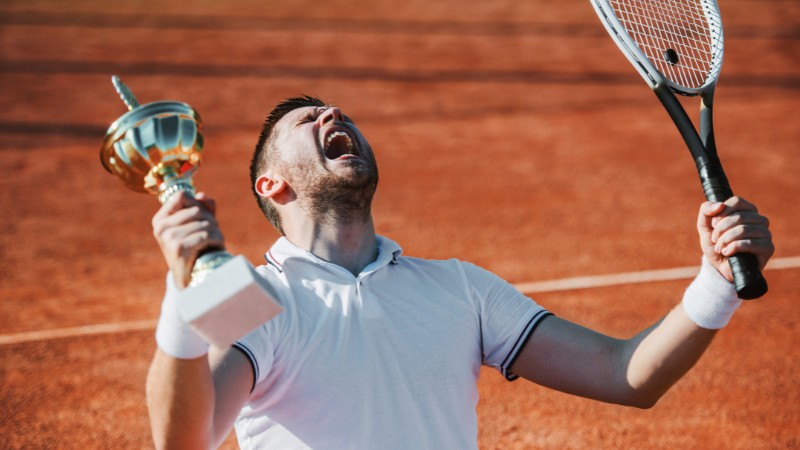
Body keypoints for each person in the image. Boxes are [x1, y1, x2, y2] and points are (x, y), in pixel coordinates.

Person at [145, 95, 774, 449]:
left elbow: (624, 374)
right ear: (271, 184)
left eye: (342, 115)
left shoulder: (457, 287)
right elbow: (187, 439)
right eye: (307, 122)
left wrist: (715, 281)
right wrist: (183, 298)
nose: (334, 116)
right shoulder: (254, 293)